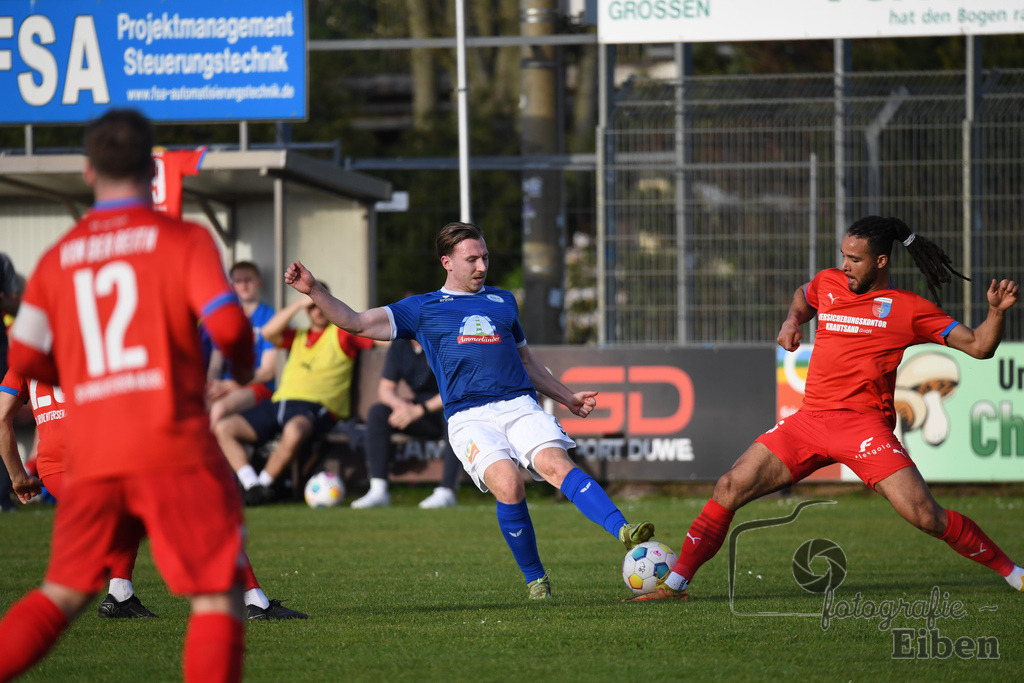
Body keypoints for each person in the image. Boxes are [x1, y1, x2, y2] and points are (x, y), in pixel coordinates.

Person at [628, 215, 1023, 601]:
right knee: (729, 486)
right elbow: (805, 294)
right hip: (809, 422)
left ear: (881, 262)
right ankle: (675, 585)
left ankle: (1015, 574)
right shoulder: (829, 282)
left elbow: (979, 347)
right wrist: (792, 321)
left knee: (926, 516)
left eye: (855, 259)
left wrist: (996, 313)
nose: (844, 266)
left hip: (864, 428)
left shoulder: (908, 308)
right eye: (843, 256)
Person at [0, 108, 254, 682]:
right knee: (216, 598)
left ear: (89, 172)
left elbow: (24, 358)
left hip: (92, 457)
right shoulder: (184, 240)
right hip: (175, 447)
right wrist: (239, 370)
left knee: (60, 595)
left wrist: (80, 375)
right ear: (150, 168)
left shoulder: (58, 258)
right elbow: (232, 329)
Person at [284, 221, 655, 600]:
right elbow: (357, 322)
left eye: (485, 258)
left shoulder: (503, 301)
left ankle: (624, 532)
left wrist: (568, 397)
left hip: (518, 404)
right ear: (447, 261)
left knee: (556, 465)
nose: (481, 266)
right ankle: (536, 579)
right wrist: (313, 289)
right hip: (469, 417)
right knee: (509, 485)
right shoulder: (422, 308)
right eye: (472, 259)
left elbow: (527, 363)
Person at [0, 368, 305, 622]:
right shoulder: (90, 337)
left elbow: (3, 418)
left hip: (56, 470)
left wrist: (18, 477)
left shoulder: (26, 355)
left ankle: (119, 595)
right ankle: (254, 602)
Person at [213, 290, 373, 505]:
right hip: (281, 402)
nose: (318, 310)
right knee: (223, 427)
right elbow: (268, 332)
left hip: (317, 408)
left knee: (295, 430)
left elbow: (378, 338)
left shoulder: (342, 334)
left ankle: (263, 486)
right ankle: (251, 485)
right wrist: (299, 303)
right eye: (313, 306)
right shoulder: (298, 335)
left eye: (322, 305)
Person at [350, 337, 463, 509]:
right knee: (378, 413)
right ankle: (378, 490)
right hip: (417, 412)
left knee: (454, 416)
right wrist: (400, 406)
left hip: (443, 408)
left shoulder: (441, 340)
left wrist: (419, 410)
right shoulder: (400, 344)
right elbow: (385, 389)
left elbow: (455, 389)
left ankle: (447, 491)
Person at [206, 261, 279, 425]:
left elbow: (267, 372)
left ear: (258, 282)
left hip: (259, 386)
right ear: (232, 286)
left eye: (248, 280)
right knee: (198, 409)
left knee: (218, 409)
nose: (243, 285)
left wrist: (230, 385)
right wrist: (214, 384)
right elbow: (215, 365)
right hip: (225, 385)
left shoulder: (270, 316)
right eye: (238, 281)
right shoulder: (229, 318)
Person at [0, 253, 22, 512]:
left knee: (3, 418)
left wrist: (4, 301)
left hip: (1, 350)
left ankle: (4, 497)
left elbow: (18, 305)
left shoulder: (3, 262)